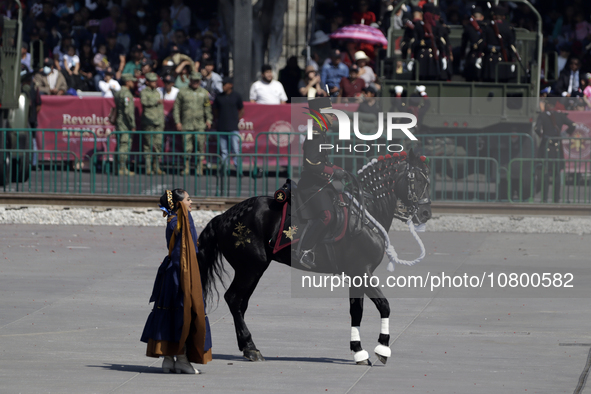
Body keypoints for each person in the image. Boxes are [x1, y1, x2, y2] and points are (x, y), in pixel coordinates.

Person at [141, 189, 212, 374]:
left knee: (170, 314)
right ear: (180, 203)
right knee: (185, 314)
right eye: (188, 199)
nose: (191, 202)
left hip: (171, 274)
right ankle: (182, 359)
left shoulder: (172, 220)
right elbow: (186, 255)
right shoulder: (183, 221)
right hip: (182, 275)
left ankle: (168, 360)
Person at [297, 97, 345, 269]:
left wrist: (339, 169)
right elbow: (311, 163)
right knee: (327, 215)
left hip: (318, 182)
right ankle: (305, 250)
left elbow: (321, 160)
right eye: (330, 114)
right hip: (310, 185)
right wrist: (333, 171)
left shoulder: (320, 132)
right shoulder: (315, 134)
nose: (333, 117)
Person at [534, 99, 578, 203]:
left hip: (546, 146)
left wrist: (542, 136)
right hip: (557, 147)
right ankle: (556, 198)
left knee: (545, 173)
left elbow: (537, 128)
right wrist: (564, 134)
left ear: (548, 105)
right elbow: (573, 125)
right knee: (557, 173)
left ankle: (544, 198)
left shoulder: (543, 116)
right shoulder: (560, 115)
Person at [173, 72, 213, 175]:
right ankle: (186, 168)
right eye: (193, 80)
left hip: (200, 125)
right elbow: (177, 107)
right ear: (190, 80)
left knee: (200, 147)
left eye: (197, 81)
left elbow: (207, 107)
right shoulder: (182, 92)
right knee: (187, 147)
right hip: (186, 124)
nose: (195, 82)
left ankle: (199, 168)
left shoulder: (204, 93)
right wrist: (178, 122)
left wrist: (209, 119)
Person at [213, 76, 244, 172]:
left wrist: (236, 119)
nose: (223, 86)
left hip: (233, 127)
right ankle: (225, 169)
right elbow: (215, 111)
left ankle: (238, 170)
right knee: (224, 151)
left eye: (225, 84)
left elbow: (242, 109)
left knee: (235, 150)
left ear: (230, 85)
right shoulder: (219, 97)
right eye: (222, 84)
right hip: (221, 127)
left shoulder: (236, 96)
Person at [482, 6, 516, 83]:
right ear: (503, 17)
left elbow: (483, 42)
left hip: (489, 58)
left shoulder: (487, 26)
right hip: (502, 58)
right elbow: (512, 45)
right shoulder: (508, 27)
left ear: (494, 16)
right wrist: (512, 59)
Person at [141, 72, 165, 175]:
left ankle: (157, 166)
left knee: (158, 145)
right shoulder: (144, 92)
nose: (155, 83)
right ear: (147, 82)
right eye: (152, 81)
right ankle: (148, 167)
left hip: (158, 122)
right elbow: (144, 102)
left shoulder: (157, 92)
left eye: (155, 81)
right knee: (148, 145)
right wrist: (155, 101)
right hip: (149, 121)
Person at [114, 74, 137, 176]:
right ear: (127, 82)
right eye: (132, 81)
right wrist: (132, 124)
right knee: (124, 145)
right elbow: (128, 111)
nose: (133, 83)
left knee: (120, 144)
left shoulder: (118, 92)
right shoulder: (126, 94)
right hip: (125, 123)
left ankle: (117, 167)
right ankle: (122, 168)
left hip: (120, 122)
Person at [461, 6, 486, 82]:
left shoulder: (468, 27)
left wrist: (462, 58)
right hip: (485, 56)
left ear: (472, 17)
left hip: (472, 56)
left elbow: (464, 44)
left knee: (470, 78)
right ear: (482, 17)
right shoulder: (486, 26)